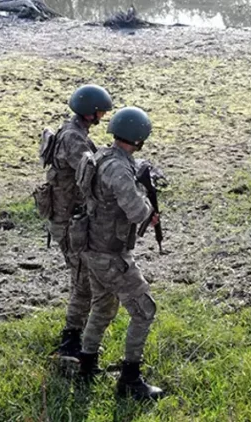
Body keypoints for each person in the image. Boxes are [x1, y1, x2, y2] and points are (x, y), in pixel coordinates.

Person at [76, 107, 164, 400]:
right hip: (112, 254)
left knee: (102, 307)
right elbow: (137, 210)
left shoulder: (100, 156)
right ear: (140, 137)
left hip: (92, 247)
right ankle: (130, 380)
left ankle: (86, 367)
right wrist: (149, 209)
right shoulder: (119, 168)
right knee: (144, 311)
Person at [39, 84, 113, 361]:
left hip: (63, 217)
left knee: (80, 276)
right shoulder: (74, 139)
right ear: (89, 113)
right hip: (69, 221)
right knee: (82, 279)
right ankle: (70, 340)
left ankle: (75, 333)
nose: (102, 117)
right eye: (100, 113)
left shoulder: (69, 131)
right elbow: (91, 174)